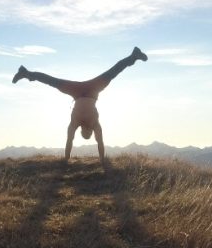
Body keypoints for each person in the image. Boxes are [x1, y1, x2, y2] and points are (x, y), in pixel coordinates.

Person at [12, 47, 148, 163]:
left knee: (52, 81)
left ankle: (26, 73)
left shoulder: (76, 123)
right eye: (89, 134)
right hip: (91, 90)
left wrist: (66, 160)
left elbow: (70, 140)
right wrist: (102, 161)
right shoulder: (95, 124)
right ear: (90, 132)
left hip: (78, 91)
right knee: (112, 72)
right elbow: (99, 143)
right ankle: (133, 56)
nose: (87, 132)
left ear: (83, 132)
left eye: (85, 133)